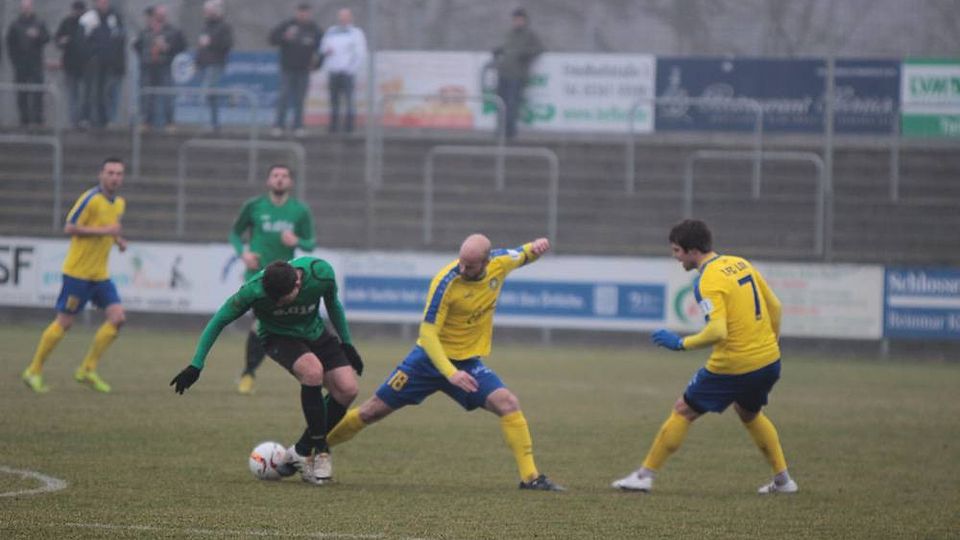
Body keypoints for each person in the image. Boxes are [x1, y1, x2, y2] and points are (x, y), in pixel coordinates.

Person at [326, 234, 564, 491]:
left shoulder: (501, 261)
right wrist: (450, 373)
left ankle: (530, 478)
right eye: (461, 262)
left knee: (508, 403)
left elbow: (524, 253)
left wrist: (537, 247)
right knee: (371, 411)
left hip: (467, 364)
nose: (462, 268)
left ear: (486, 262)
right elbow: (427, 333)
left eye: (469, 266)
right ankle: (312, 448)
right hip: (426, 361)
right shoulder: (445, 282)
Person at [612, 219, 798, 495]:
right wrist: (772, 343)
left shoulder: (708, 280)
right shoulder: (740, 263)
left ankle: (644, 476)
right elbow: (776, 307)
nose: (675, 257)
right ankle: (783, 481)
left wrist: (680, 344)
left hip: (733, 365)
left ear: (692, 251)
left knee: (683, 409)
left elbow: (717, 331)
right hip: (768, 361)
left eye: (677, 250)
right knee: (749, 412)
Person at [170, 258, 364, 485]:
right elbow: (219, 320)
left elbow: (333, 304)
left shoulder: (321, 274)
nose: (277, 303)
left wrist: (347, 343)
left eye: (282, 299)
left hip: (315, 332)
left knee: (347, 389)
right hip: (277, 337)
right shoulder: (253, 290)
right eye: (273, 299)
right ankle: (320, 451)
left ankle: (300, 451)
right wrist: (196, 364)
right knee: (312, 371)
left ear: (298, 284)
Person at [22, 157, 128, 394]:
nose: (114, 177)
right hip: (77, 274)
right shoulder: (90, 199)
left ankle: (87, 370)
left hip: (100, 275)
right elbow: (69, 227)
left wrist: (118, 240)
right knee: (65, 323)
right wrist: (106, 231)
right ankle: (33, 370)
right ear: (101, 174)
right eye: (110, 172)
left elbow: (110, 229)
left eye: (119, 173)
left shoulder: (120, 204)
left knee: (118, 317)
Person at [229, 164, 317, 395]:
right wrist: (243, 254)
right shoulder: (254, 206)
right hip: (257, 276)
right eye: (275, 175)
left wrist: (297, 241)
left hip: (286, 279)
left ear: (290, 182)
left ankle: (250, 372)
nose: (279, 179)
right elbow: (235, 233)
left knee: (267, 327)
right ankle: (249, 374)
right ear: (269, 181)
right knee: (261, 323)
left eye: (284, 176)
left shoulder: (300, 210)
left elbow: (311, 243)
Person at [269, 2, 323, 137]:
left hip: (304, 69)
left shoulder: (314, 29)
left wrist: (317, 64)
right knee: (284, 97)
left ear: (309, 13)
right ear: (296, 12)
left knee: (300, 99)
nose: (303, 14)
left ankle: (298, 126)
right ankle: (279, 125)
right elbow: (271, 39)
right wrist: (284, 37)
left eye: (305, 12)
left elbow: (322, 49)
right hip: (287, 68)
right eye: (300, 11)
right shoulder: (287, 25)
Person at [132, 4, 186, 132]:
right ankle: (146, 121)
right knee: (147, 95)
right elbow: (137, 46)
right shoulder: (145, 31)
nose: (158, 18)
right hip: (148, 67)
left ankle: (169, 122)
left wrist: (168, 48)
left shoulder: (172, 31)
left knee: (167, 94)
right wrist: (143, 56)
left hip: (164, 66)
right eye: (157, 15)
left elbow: (182, 45)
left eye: (161, 15)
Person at [492, 8, 543, 140]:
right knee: (500, 103)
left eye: (520, 19)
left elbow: (540, 49)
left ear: (525, 20)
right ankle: (500, 130)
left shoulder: (530, 35)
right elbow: (506, 48)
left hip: (518, 74)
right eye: (515, 19)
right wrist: (499, 50)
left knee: (512, 103)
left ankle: (510, 132)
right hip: (504, 72)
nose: (517, 21)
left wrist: (525, 54)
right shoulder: (509, 34)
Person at [78, 0, 125, 129]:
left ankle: (103, 119)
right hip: (92, 62)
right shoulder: (88, 19)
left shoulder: (113, 18)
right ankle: (85, 118)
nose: (104, 4)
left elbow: (118, 39)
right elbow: (81, 40)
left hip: (108, 61)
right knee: (89, 90)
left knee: (104, 91)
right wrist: (91, 54)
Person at [319, 8, 366, 134]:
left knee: (349, 99)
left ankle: (349, 126)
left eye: (345, 16)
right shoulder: (331, 31)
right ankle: (333, 125)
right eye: (341, 16)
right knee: (334, 100)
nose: (343, 19)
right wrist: (326, 51)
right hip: (333, 70)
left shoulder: (356, 33)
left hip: (347, 72)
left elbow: (360, 53)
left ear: (350, 18)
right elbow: (323, 47)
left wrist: (351, 68)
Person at [6, 0, 50, 129]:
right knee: (22, 92)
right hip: (21, 64)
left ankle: (38, 119)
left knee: (38, 92)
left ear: (32, 8)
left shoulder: (39, 23)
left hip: (35, 63)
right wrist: (15, 60)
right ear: (21, 8)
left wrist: (38, 36)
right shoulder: (15, 25)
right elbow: (10, 44)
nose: (26, 9)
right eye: (24, 7)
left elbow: (47, 38)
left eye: (28, 6)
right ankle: (24, 120)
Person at [195, 0, 233, 133]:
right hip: (204, 64)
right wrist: (197, 62)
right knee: (211, 95)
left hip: (215, 63)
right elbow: (201, 47)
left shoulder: (224, 26)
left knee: (208, 92)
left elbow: (227, 45)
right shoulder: (205, 26)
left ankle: (210, 122)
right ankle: (213, 123)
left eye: (208, 10)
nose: (206, 13)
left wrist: (211, 42)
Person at [55, 1, 89, 129]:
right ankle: (75, 121)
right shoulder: (66, 23)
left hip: (85, 65)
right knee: (73, 95)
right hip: (70, 65)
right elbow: (57, 40)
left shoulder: (88, 23)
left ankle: (83, 119)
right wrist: (62, 41)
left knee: (84, 94)